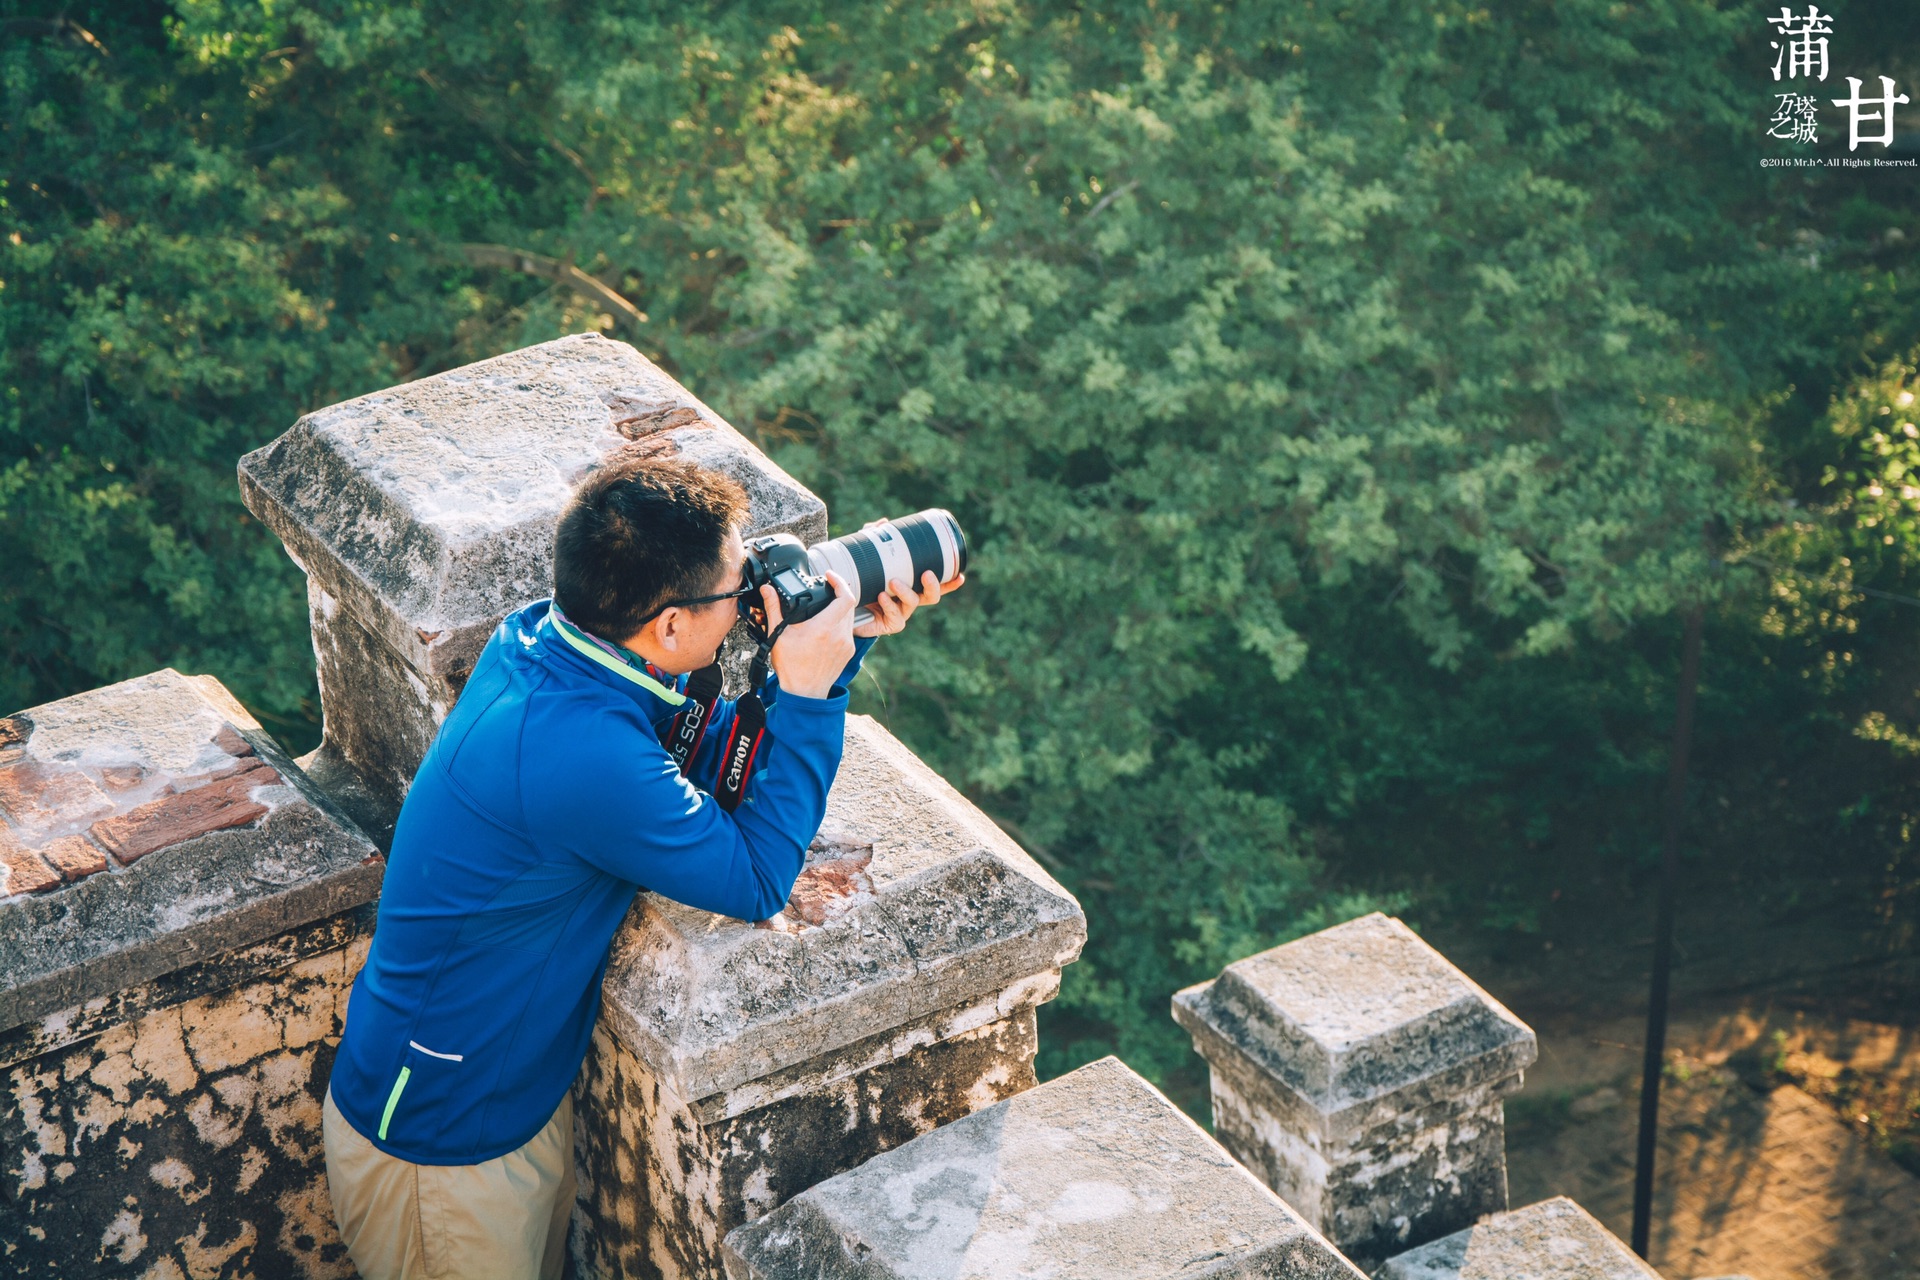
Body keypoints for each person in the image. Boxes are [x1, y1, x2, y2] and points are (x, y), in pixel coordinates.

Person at [320, 452, 956, 1280]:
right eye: (736, 587)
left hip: (500, 1099)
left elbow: (715, 766)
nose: (748, 593)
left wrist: (835, 651)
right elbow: (758, 876)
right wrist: (803, 698)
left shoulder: (554, 642)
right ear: (667, 626)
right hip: (439, 1148)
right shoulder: (583, 754)